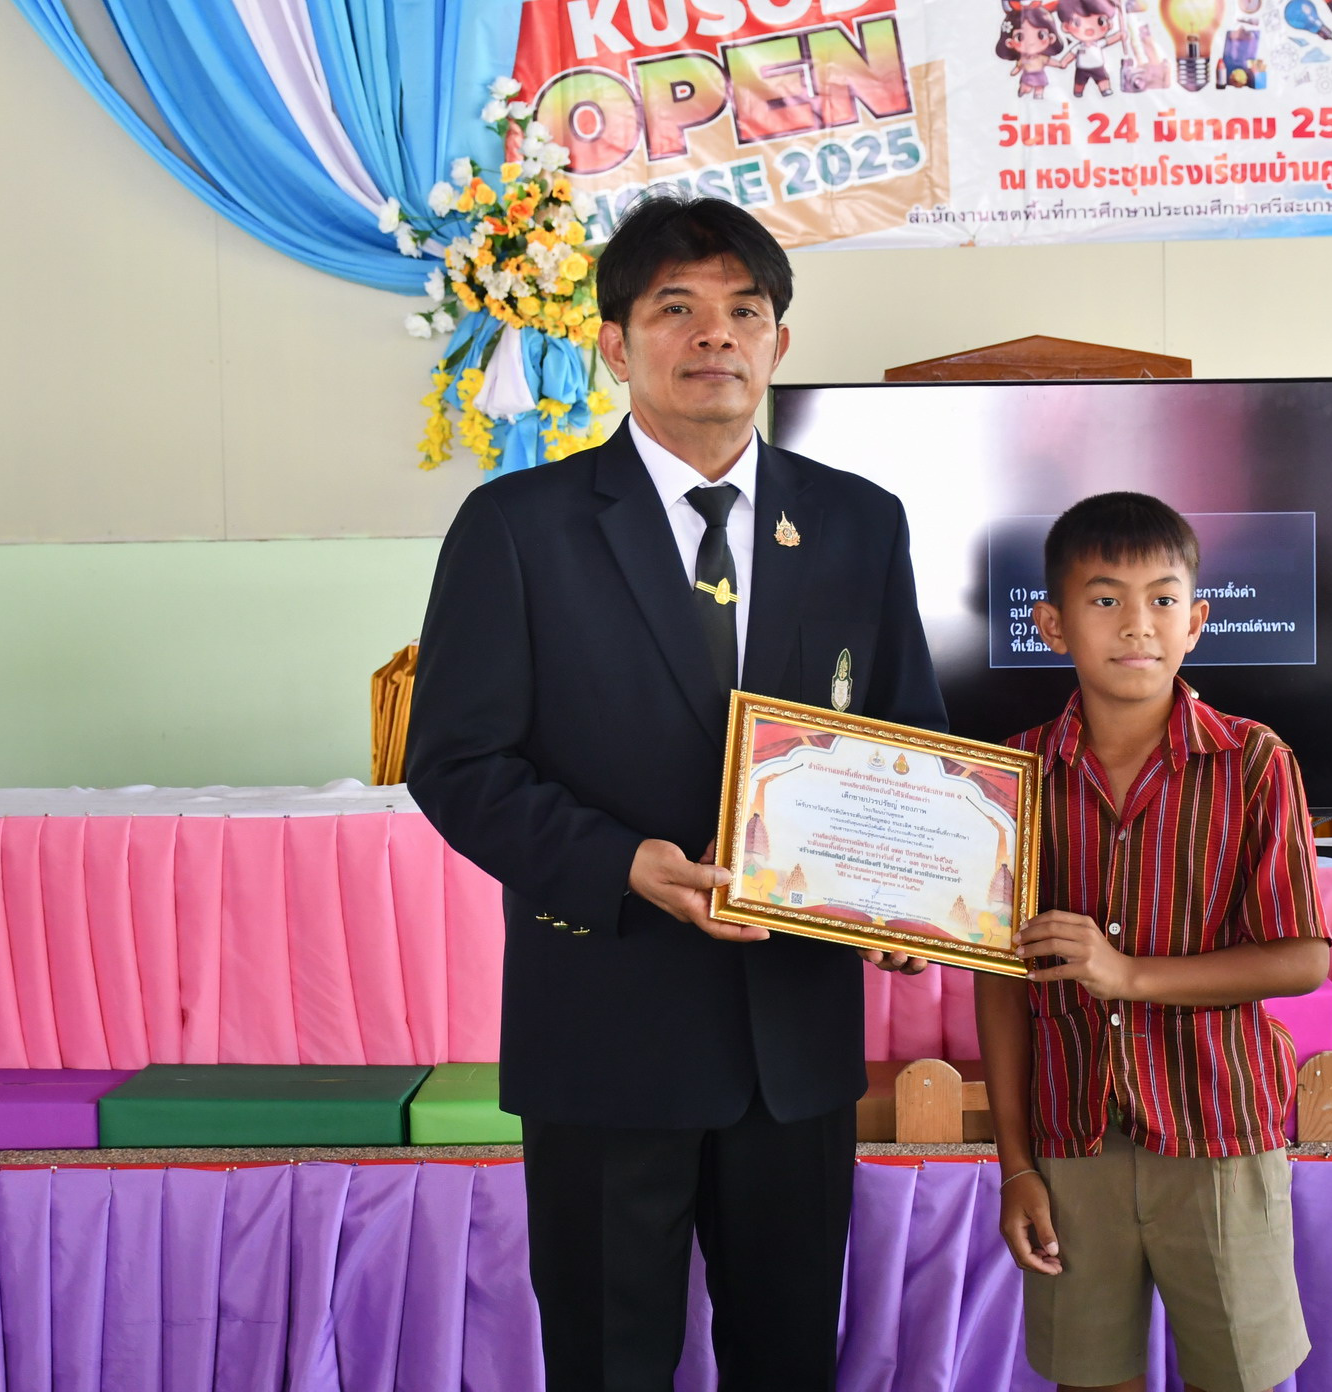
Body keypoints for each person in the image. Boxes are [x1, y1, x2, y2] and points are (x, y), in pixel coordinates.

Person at [404, 193, 947, 1391]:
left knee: (788, 1363)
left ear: (779, 343)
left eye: (744, 312)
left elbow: (911, 743)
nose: (716, 337)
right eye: (677, 310)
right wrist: (622, 865)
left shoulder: (859, 524)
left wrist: (912, 899)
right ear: (615, 343)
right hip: (606, 1031)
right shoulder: (517, 528)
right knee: (609, 1366)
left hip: (793, 1044)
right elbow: (455, 764)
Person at [975, 493, 1331, 1392]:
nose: (1137, 624)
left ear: (1197, 621)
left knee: (1239, 1375)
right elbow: (1000, 985)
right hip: (1073, 1144)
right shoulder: (1012, 779)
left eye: (1163, 599)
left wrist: (1128, 974)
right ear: (1053, 624)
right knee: (1090, 1378)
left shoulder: (1255, 762)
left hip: (1220, 1132)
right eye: (1104, 600)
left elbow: (1302, 958)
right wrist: (1016, 1168)